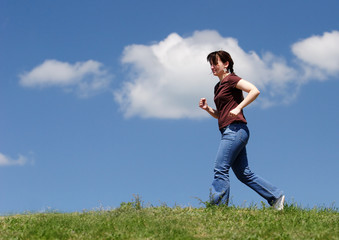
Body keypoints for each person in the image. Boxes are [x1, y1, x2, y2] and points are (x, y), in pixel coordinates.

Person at [199, 50, 285, 210]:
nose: (212, 67)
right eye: (210, 64)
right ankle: (276, 196)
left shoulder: (231, 79)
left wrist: (239, 107)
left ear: (226, 64)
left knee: (220, 168)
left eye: (215, 63)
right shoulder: (218, 86)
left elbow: (254, 90)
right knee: (243, 173)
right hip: (229, 130)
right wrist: (207, 109)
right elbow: (221, 114)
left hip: (236, 129)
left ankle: (218, 209)